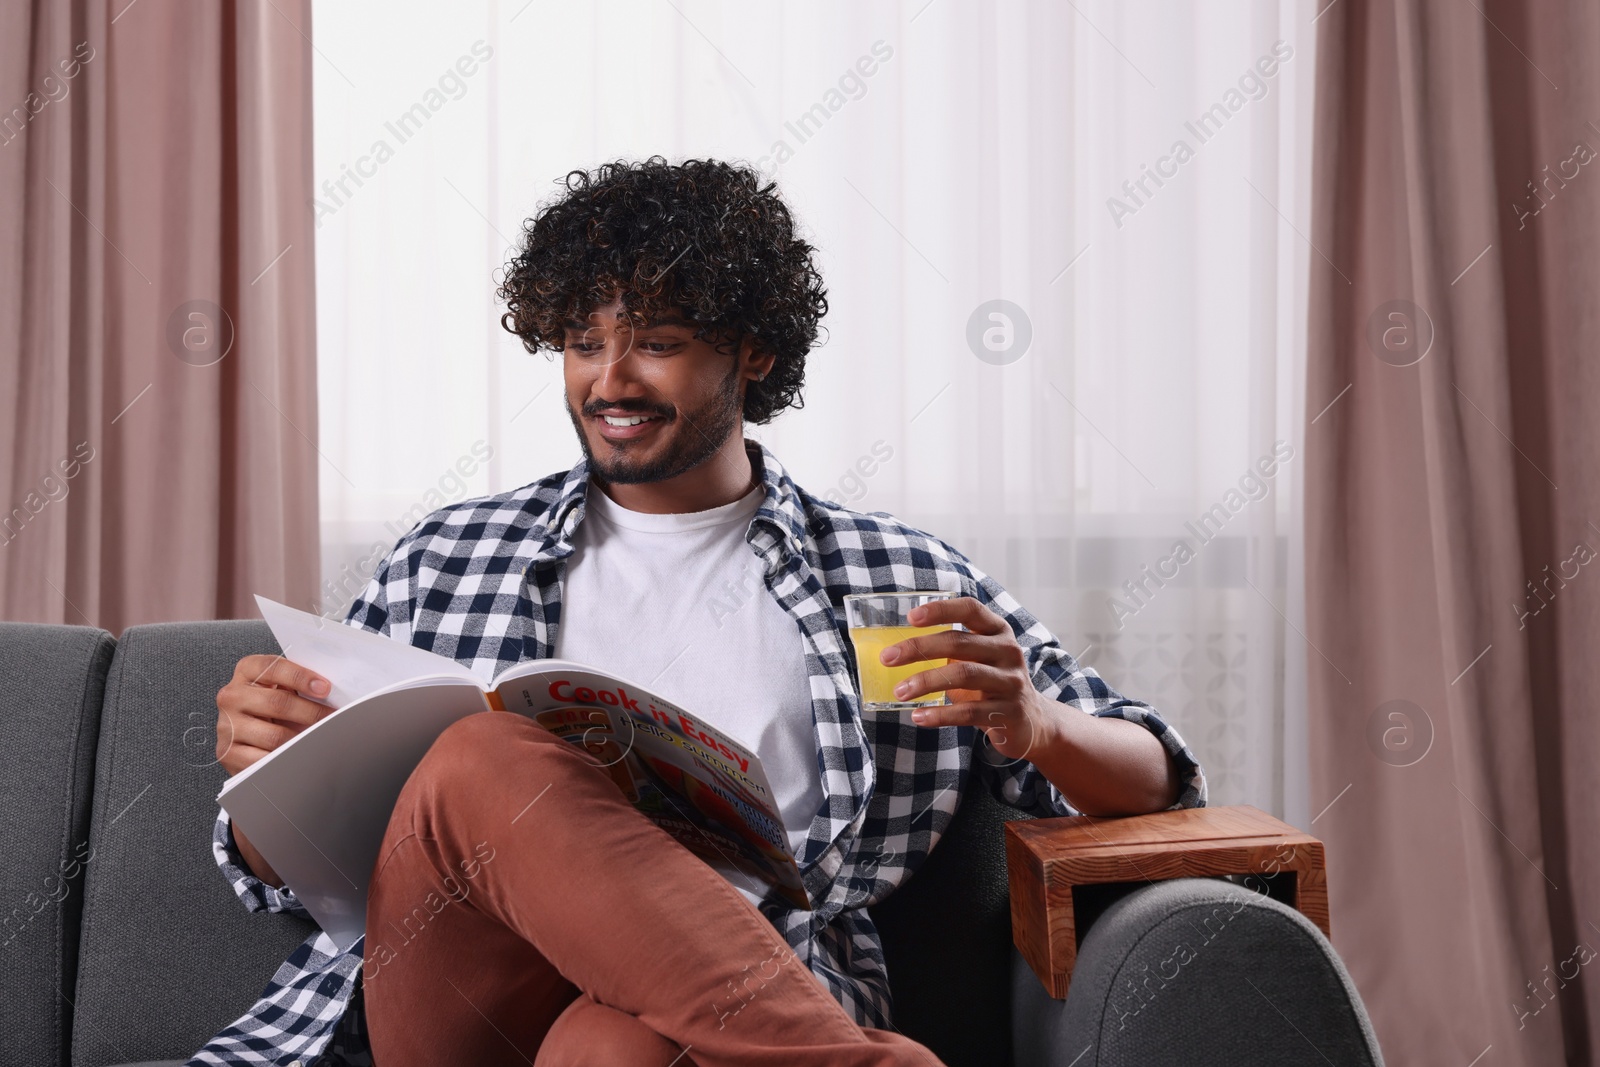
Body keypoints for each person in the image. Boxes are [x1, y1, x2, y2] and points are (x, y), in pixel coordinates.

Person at [192, 157, 1206, 1067]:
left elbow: (1159, 780)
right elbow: (282, 876)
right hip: (460, 999)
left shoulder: (886, 573)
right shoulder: (449, 556)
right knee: (480, 757)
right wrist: (272, 771)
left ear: (753, 353)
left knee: (615, 1041)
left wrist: (1038, 721)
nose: (610, 380)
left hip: (717, 1009)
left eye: (657, 344)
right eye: (582, 343)